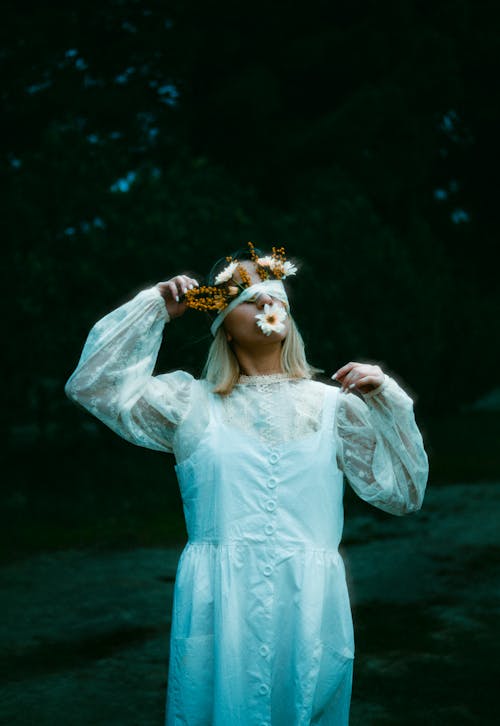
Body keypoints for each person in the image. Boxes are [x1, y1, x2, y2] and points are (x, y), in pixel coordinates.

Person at [65, 243, 429, 726]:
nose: (264, 299)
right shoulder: (188, 404)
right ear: (221, 322)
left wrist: (386, 397)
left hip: (308, 611)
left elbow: (403, 493)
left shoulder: (335, 408)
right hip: (219, 610)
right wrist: (153, 308)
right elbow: (93, 386)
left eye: (272, 290)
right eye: (243, 290)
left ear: (288, 315)